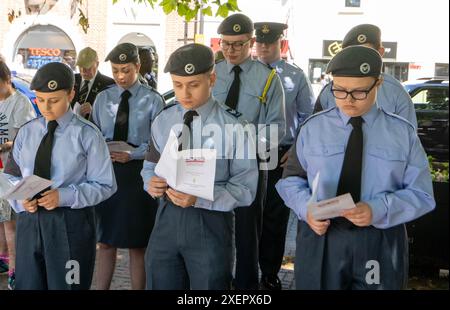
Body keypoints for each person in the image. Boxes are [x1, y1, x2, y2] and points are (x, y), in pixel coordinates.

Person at [276, 46, 435, 290]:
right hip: (321, 238)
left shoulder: (402, 133)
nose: (348, 100)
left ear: (378, 84)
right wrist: (306, 208)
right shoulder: (313, 128)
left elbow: (422, 194)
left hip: (379, 239)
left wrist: (378, 209)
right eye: (339, 90)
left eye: (360, 92)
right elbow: (290, 180)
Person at [141, 43, 258, 289]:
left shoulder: (236, 126)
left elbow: (245, 188)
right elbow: (150, 165)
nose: (185, 93)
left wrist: (201, 199)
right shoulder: (164, 120)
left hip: (211, 221)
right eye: (177, 85)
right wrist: (150, 182)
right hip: (166, 218)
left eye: (194, 84)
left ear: (212, 79)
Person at [3, 62, 117, 290]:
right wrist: (19, 199)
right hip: (30, 222)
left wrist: (63, 196)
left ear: (71, 93)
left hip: (70, 223)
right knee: (29, 284)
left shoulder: (87, 135)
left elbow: (105, 185)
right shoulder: (28, 132)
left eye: (54, 100)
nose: (46, 107)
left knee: (68, 285)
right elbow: (11, 176)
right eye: (40, 100)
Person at [213, 13, 286, 290]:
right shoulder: (212, 73)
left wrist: (242, 140)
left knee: (247, 232)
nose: (230, 50)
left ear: (251, 42)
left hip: (250, 166)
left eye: (238, 44)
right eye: (226, 43)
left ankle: (246, 288)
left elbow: (276, 128)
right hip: (215, 164)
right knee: (215, 227)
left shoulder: (267, 79)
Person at [91, 42, 165, 290]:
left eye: (126, 70)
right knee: (105, 241)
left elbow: (160, 144)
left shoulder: (153, 100)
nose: (120, 76)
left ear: (138, 66)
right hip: (108, 174)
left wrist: (132, 154)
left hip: (138, 175)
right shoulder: (103, 98)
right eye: (115, 70)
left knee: (137, 243)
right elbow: (94, 137)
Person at [254, 22, 315, 290]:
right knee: (245, 214)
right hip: (248, 152)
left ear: (281, 44)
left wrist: (296, 148)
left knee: (275, 218)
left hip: (280, 154)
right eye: (261, 42)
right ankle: (243, 269)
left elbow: (309, 115)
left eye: (270, 42)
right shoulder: (247, 73)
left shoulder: (295, 76)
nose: (264, 46)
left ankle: (269, 273)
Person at [314, 24, 417, 128]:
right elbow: (316, 129)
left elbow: (408, 134)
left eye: (367, 53)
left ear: (380, 52)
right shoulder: (329, 91)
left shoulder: (397, 93)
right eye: (352, 54)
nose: (358, 60)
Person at [0, 60, 36, 289]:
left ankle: (15, 270)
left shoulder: (21, 103)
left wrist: (6, 145)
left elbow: (29, 137)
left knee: (11, 225)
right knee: (2, 222)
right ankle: (4, 260)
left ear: (6, 80)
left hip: (11, 171)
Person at [71, 47, 115, 119]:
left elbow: (113, 114)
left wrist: (95, 111)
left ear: (97, 64)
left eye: (87, 67)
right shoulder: (71, 80)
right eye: (80, 66)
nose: (83, 71)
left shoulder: (109, 84)